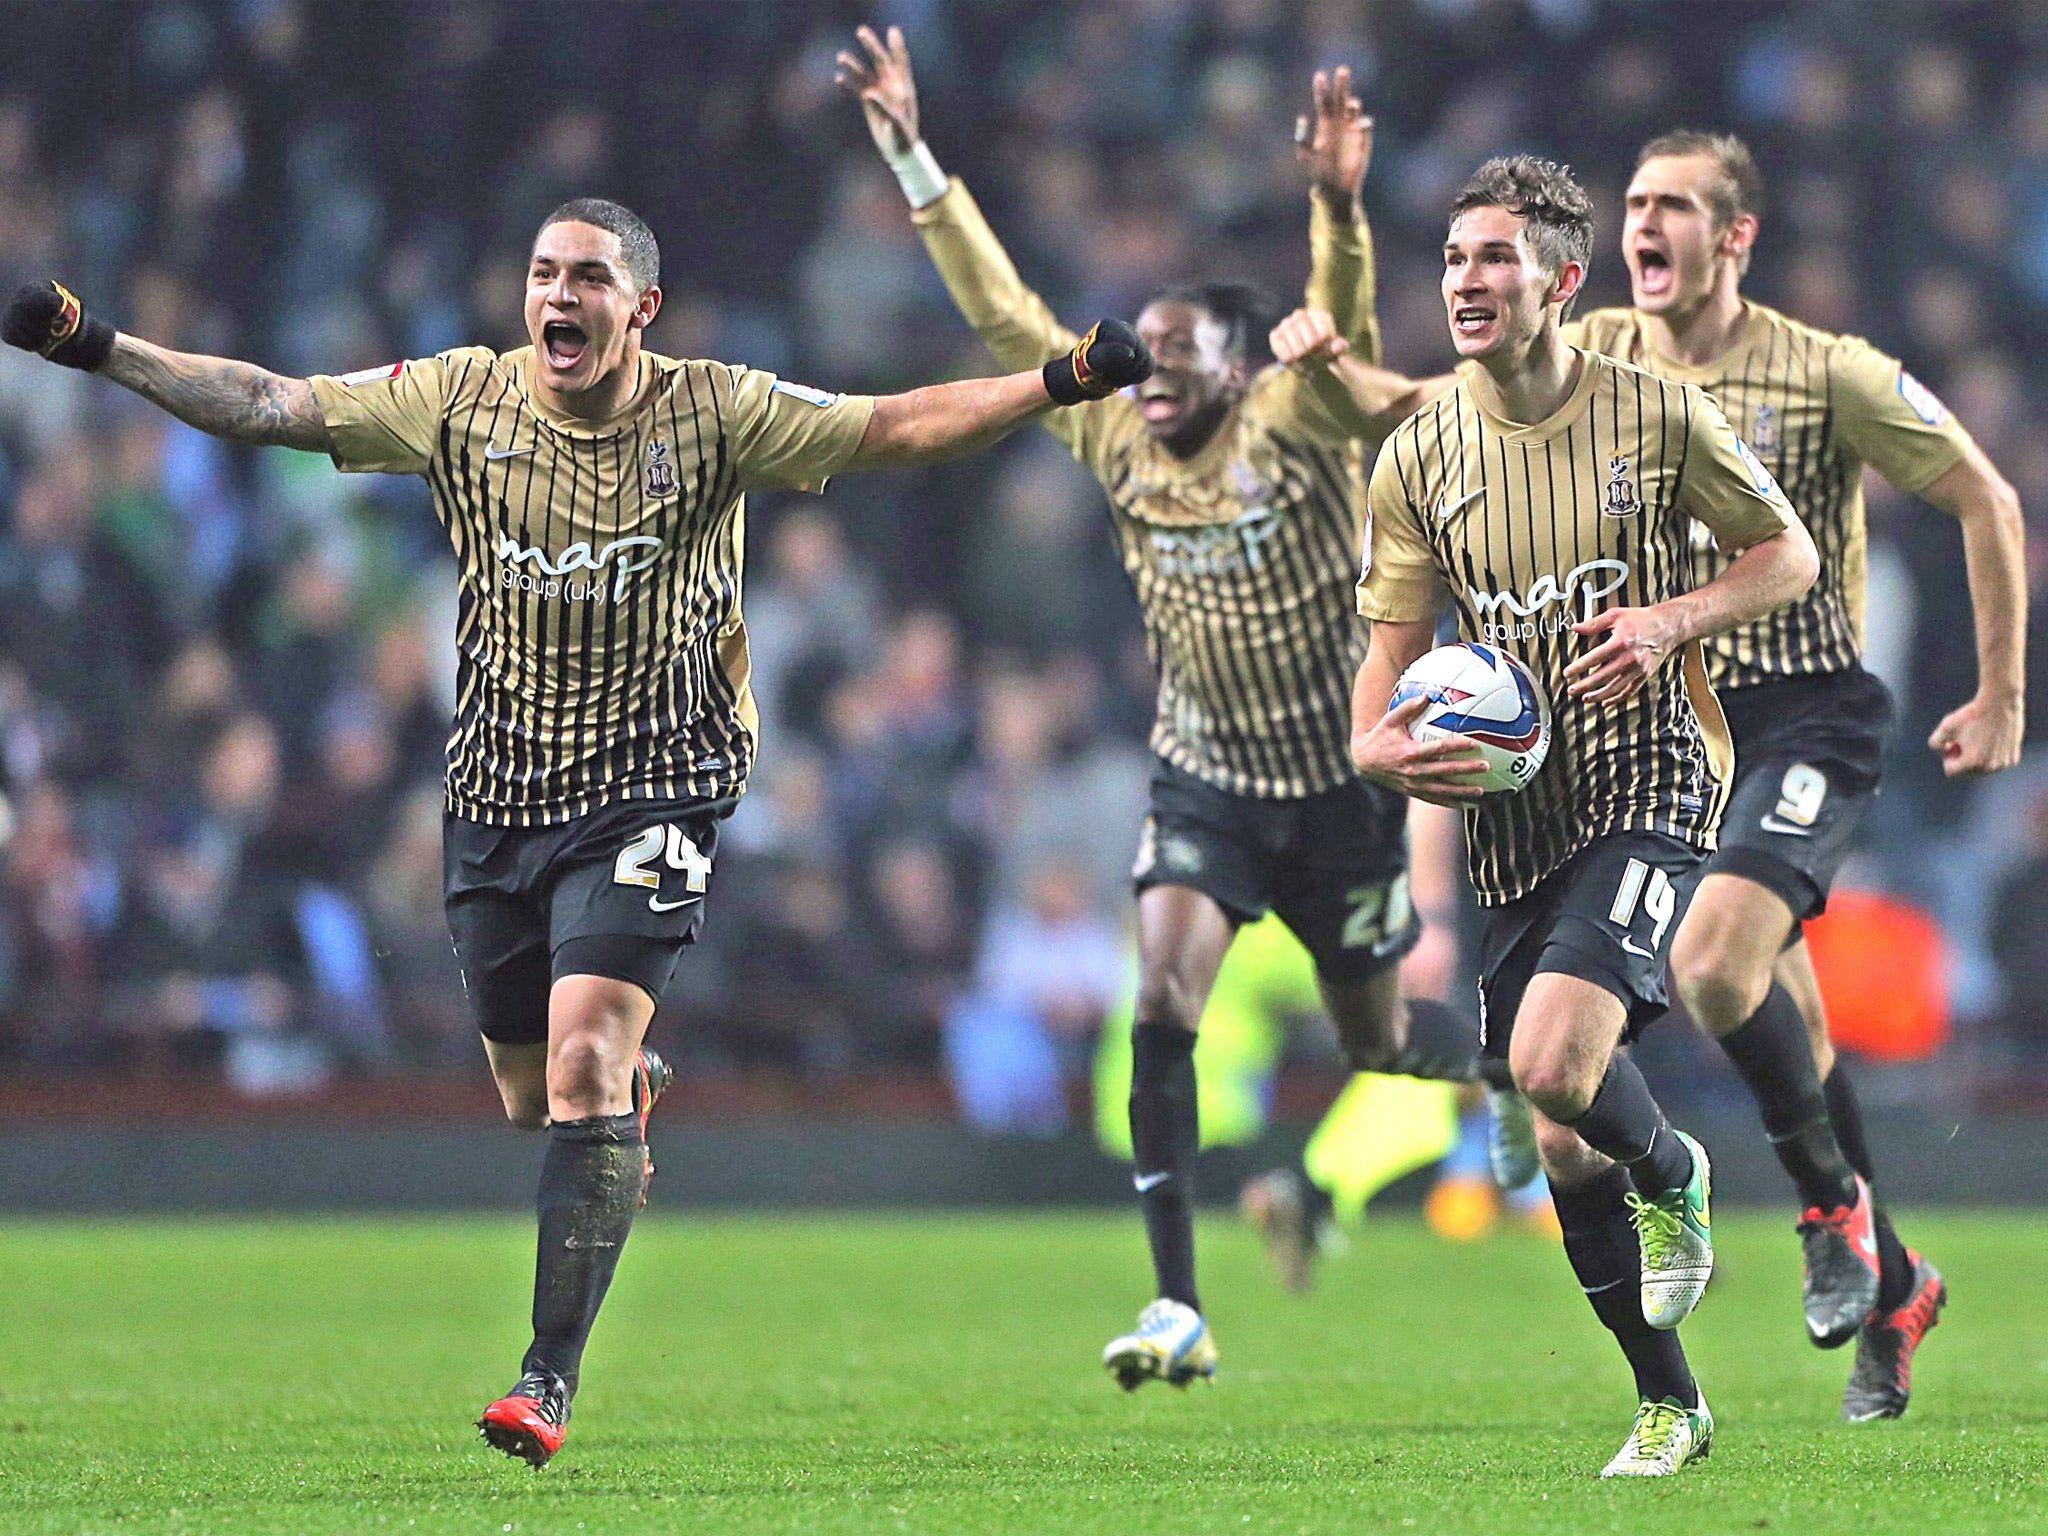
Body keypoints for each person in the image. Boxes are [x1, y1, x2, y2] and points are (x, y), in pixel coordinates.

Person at [3, 203, 1150, 1466]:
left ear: (639, 308)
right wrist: (97, 345)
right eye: (544, 273)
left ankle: (545, 1379)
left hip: (660, 782)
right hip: (497, 795)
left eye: (589, 277)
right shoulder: (456, 402)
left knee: (582, 1064)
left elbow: (888, 428)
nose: (559, 294)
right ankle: (616, 1102)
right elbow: (267, 402)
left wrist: (1059, 379)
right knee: (527, 1095)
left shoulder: (713, 412)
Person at [837, 26, 1502, 1391]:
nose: (1147, 381)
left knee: (1380, 1040)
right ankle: (1177, 1305)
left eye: (1178, 361)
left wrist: (1335, 204)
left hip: (1341, 787)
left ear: (1241, 371)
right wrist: (913, 154)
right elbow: (1007, 317)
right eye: (1144, 358)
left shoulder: (1299, 425)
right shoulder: (1106, 425)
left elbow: (1348, 330)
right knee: (1165, 998)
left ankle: (1533, 1059)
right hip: (1204, 778)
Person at [1323, 155, 1818, 1476]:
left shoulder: (1655, 418)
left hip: (1650, 784)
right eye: (1452, 258)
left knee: (1550, 1065)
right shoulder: (1420, 452)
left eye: (1495, 257)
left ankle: (1675, 1174)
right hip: (1516, 824)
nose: (1467, 282)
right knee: (1555, 1133)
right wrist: (1379, 748)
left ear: (1563, 277)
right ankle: (1671, 1403)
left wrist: (1669, 618)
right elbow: (1392, 648)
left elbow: (1789, 556)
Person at [1571, 130, 2025, 1419]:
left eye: (1674, 205)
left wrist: (1999, 694)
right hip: (1683, 728)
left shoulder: (1827, 373)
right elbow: (1445, 409)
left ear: (1734, 236)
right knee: (1797, 1035)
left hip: (1810, 720)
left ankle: (1830, 1212)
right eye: (1635, 201)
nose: (1644, 224)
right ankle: (1895, 1286)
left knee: (1713, 964)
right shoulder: (1595, 351)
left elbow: (1985, 500)